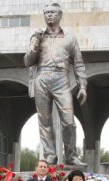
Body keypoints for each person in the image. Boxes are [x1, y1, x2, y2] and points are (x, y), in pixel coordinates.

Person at [24, 3, 87, 166]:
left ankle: (71, 155)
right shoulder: (37, 36)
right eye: (47, 13)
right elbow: (28, 61)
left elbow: (78, 63)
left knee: (68, 120)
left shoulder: (69, 37)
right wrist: (36, 42)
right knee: (44, 120)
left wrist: (83, 85)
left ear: (60, 15)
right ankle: (50, 154)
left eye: (53, 12)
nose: (50, 15)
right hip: (42, 76)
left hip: (61, 78)